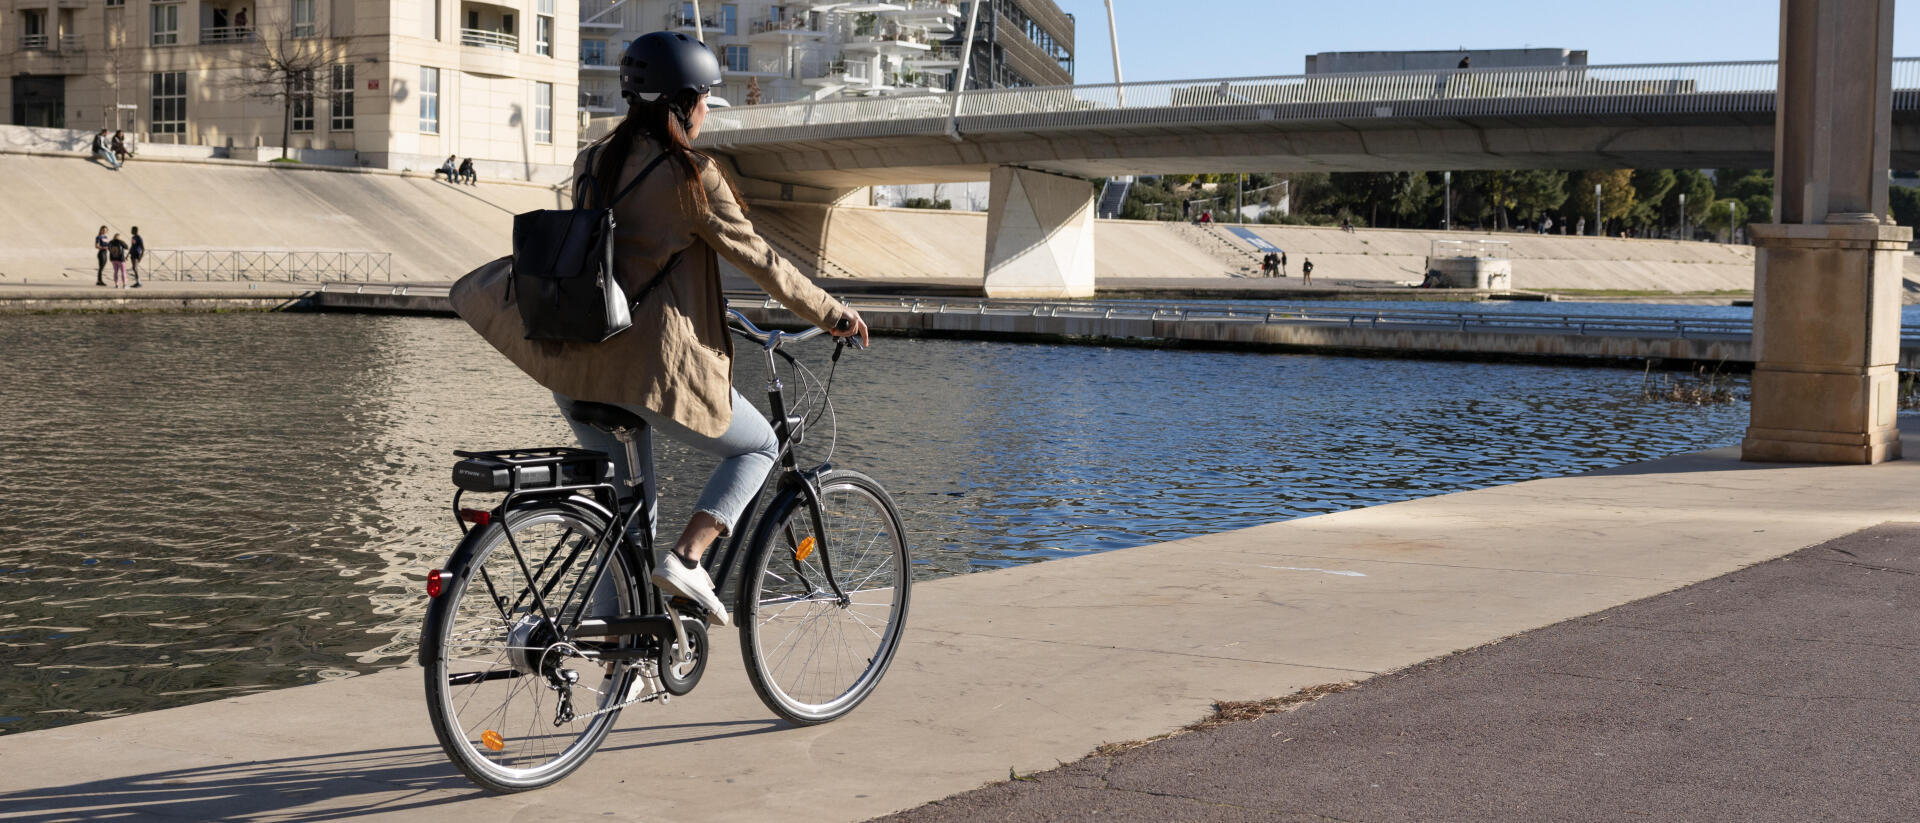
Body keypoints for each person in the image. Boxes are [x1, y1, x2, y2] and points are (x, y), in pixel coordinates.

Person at [449, 30, 870, 628]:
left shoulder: (593, 161)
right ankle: (689, 558)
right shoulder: (692, 177)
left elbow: (616, 261)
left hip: (575, 366)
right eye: (703, 98)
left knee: (624, 517)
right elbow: (764, 264)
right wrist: (835, 314)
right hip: (643, 373)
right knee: (761, 445)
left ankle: (611, 645)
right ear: (682, 101)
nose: (706, 111)